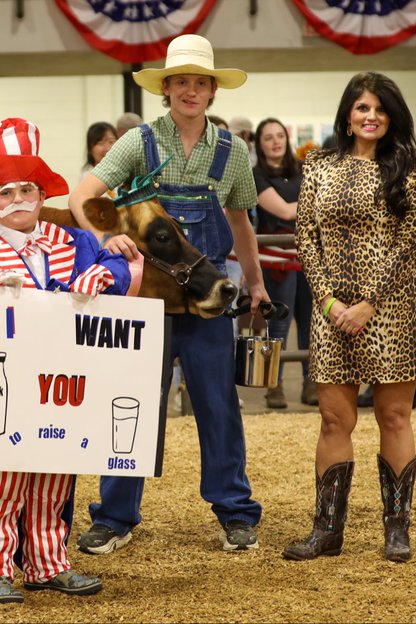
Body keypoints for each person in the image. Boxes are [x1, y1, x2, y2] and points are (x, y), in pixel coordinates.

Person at [68, 33, 269, 553]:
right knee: (130, 403)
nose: (190, 91)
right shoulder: (139, 142)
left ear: (212, 91)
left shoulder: (233, 151)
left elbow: (241, 222)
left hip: (208, 301)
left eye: (200, 83)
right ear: (166, 89)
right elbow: (83, 195)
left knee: (218, 406)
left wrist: (257, 282)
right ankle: (115, 517)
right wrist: (103, 238)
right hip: (145, 303)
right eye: (181, 82)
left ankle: (235, 512)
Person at [0, 117, 130, 604]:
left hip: (63, 385)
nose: (17, 199)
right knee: (0, 482)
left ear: (42, 196)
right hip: (3, 385)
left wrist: (104, 275)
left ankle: (47, 563)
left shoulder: (76, 243)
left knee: (54, 478)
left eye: (26, 190)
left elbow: (117, 268)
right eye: (5, 192)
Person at [283, 72, 416, 564]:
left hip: (392, 310)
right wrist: (329, 302)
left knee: (394, 416)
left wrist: (369, 303)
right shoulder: (318, 166)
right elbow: (306, 237)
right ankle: (327, 531)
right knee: (334, 420)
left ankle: (397, 530)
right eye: (362, 108)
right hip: (332, 313)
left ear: (392, 117)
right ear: (347, 116)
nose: (371, 116)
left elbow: (413, 243)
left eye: (380, 108)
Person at [252, 117, 314, 408]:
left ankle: (311, 381)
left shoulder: (302, 169)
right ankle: (272, 385)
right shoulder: (256, 175)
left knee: (311, 323)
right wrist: (316, 204)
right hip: (276, 258)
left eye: (279, 136)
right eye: (268, 137)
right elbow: (286, 212)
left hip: (308, 255)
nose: (275, 142)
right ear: (259, 144)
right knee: (277, 323)